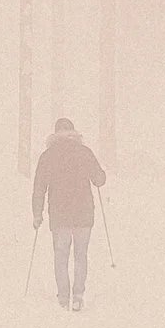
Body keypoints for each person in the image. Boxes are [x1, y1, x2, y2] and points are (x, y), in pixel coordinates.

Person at [31, 117, 107, 310]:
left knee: (61, 256)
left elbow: (39, 187)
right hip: (83, 214)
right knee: (81, 255)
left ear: (55, 135)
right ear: (74, 133)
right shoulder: (84, 153)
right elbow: (99, 179)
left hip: (59, 215)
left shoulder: (48, 156)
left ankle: (63, 297)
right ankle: (78, 295)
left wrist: (37, 213)